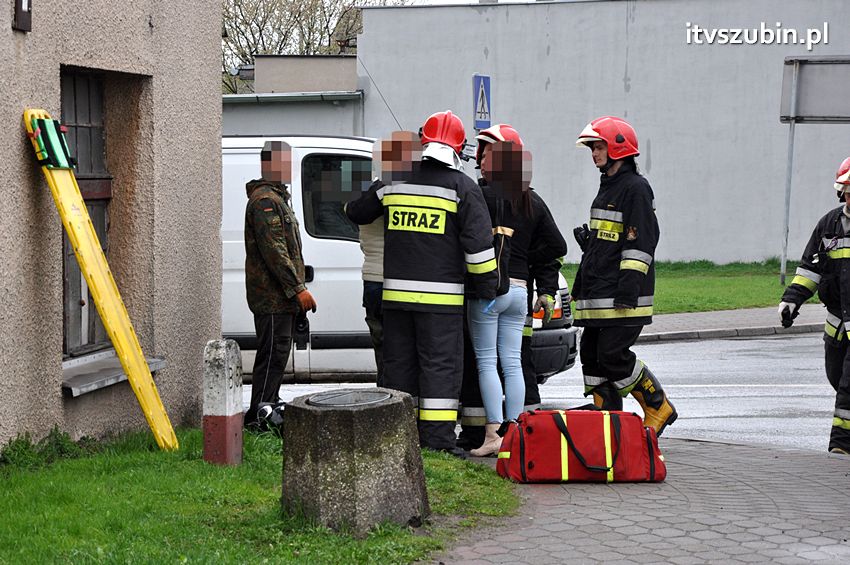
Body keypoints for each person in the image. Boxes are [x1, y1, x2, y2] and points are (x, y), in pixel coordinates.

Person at [346, 111, 497, 456]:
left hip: (396, 298)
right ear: (459, 149)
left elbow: (356, 212)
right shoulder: (464, 188)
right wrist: (488, 290)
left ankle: (400, 438)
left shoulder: (393, 181)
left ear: (423, 141)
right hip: (441, 303)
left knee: (400, 366)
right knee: (439, 368)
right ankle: (438, 443)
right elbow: (479, 251)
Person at [466, 128, 568, 456]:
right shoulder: (531, 200)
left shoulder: (480, 196)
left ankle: (493, 436)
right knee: (512, 362)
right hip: (521, 292)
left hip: (489, 290)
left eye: (485, 156)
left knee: (486, 362)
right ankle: (515, 434)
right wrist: (531, 264)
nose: (480, 160)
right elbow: (557, 245)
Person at [572, 116, 676, 436]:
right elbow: (614, 238)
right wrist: (591, 244)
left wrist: (628, 289)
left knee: (612, 354)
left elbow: (641, 242)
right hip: (600, 291)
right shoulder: (608, 187)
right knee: (590, 353)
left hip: (623, 294)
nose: (594, 153)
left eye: (599, 146)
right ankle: (607, 413)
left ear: (618, 147)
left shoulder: (636, 188)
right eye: (592, 147)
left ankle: (657, 405)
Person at [779, 156, 850, 455]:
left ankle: (841, 448)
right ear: (841, 192)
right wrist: (791, 300)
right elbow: (811, 269)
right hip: (837, 326)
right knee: (837, 379)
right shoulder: (829, 224)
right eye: (849, 190)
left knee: (848, 390)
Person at [243, 140, 317, 429]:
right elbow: (276, 252)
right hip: (272, 296)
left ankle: (268, 408)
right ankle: (258, 415)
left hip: (280, 296)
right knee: (272, 354)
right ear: (269, 164)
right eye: (284, 162)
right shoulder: (265, 201)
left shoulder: (277, 198)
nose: (289, 168)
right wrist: (298, 288)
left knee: (278, 354)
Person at [353, 131, 422, 386]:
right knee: (402, 352)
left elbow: (353, 212)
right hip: (394, 280)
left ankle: (387, 400)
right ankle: (397, 404)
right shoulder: (393, 191)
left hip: (373, 279)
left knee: (384, 352)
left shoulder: (368, 191)